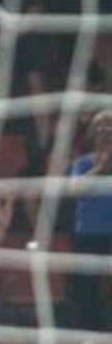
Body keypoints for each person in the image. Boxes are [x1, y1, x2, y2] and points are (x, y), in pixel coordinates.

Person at [68, 110, 112, 331]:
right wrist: (100, 168)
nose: (106, 131)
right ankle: (91, 332)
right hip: (89, 233)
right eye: (100, 127)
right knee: (88, 289)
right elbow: (74, 189)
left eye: (110, 126)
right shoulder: (83, 163)